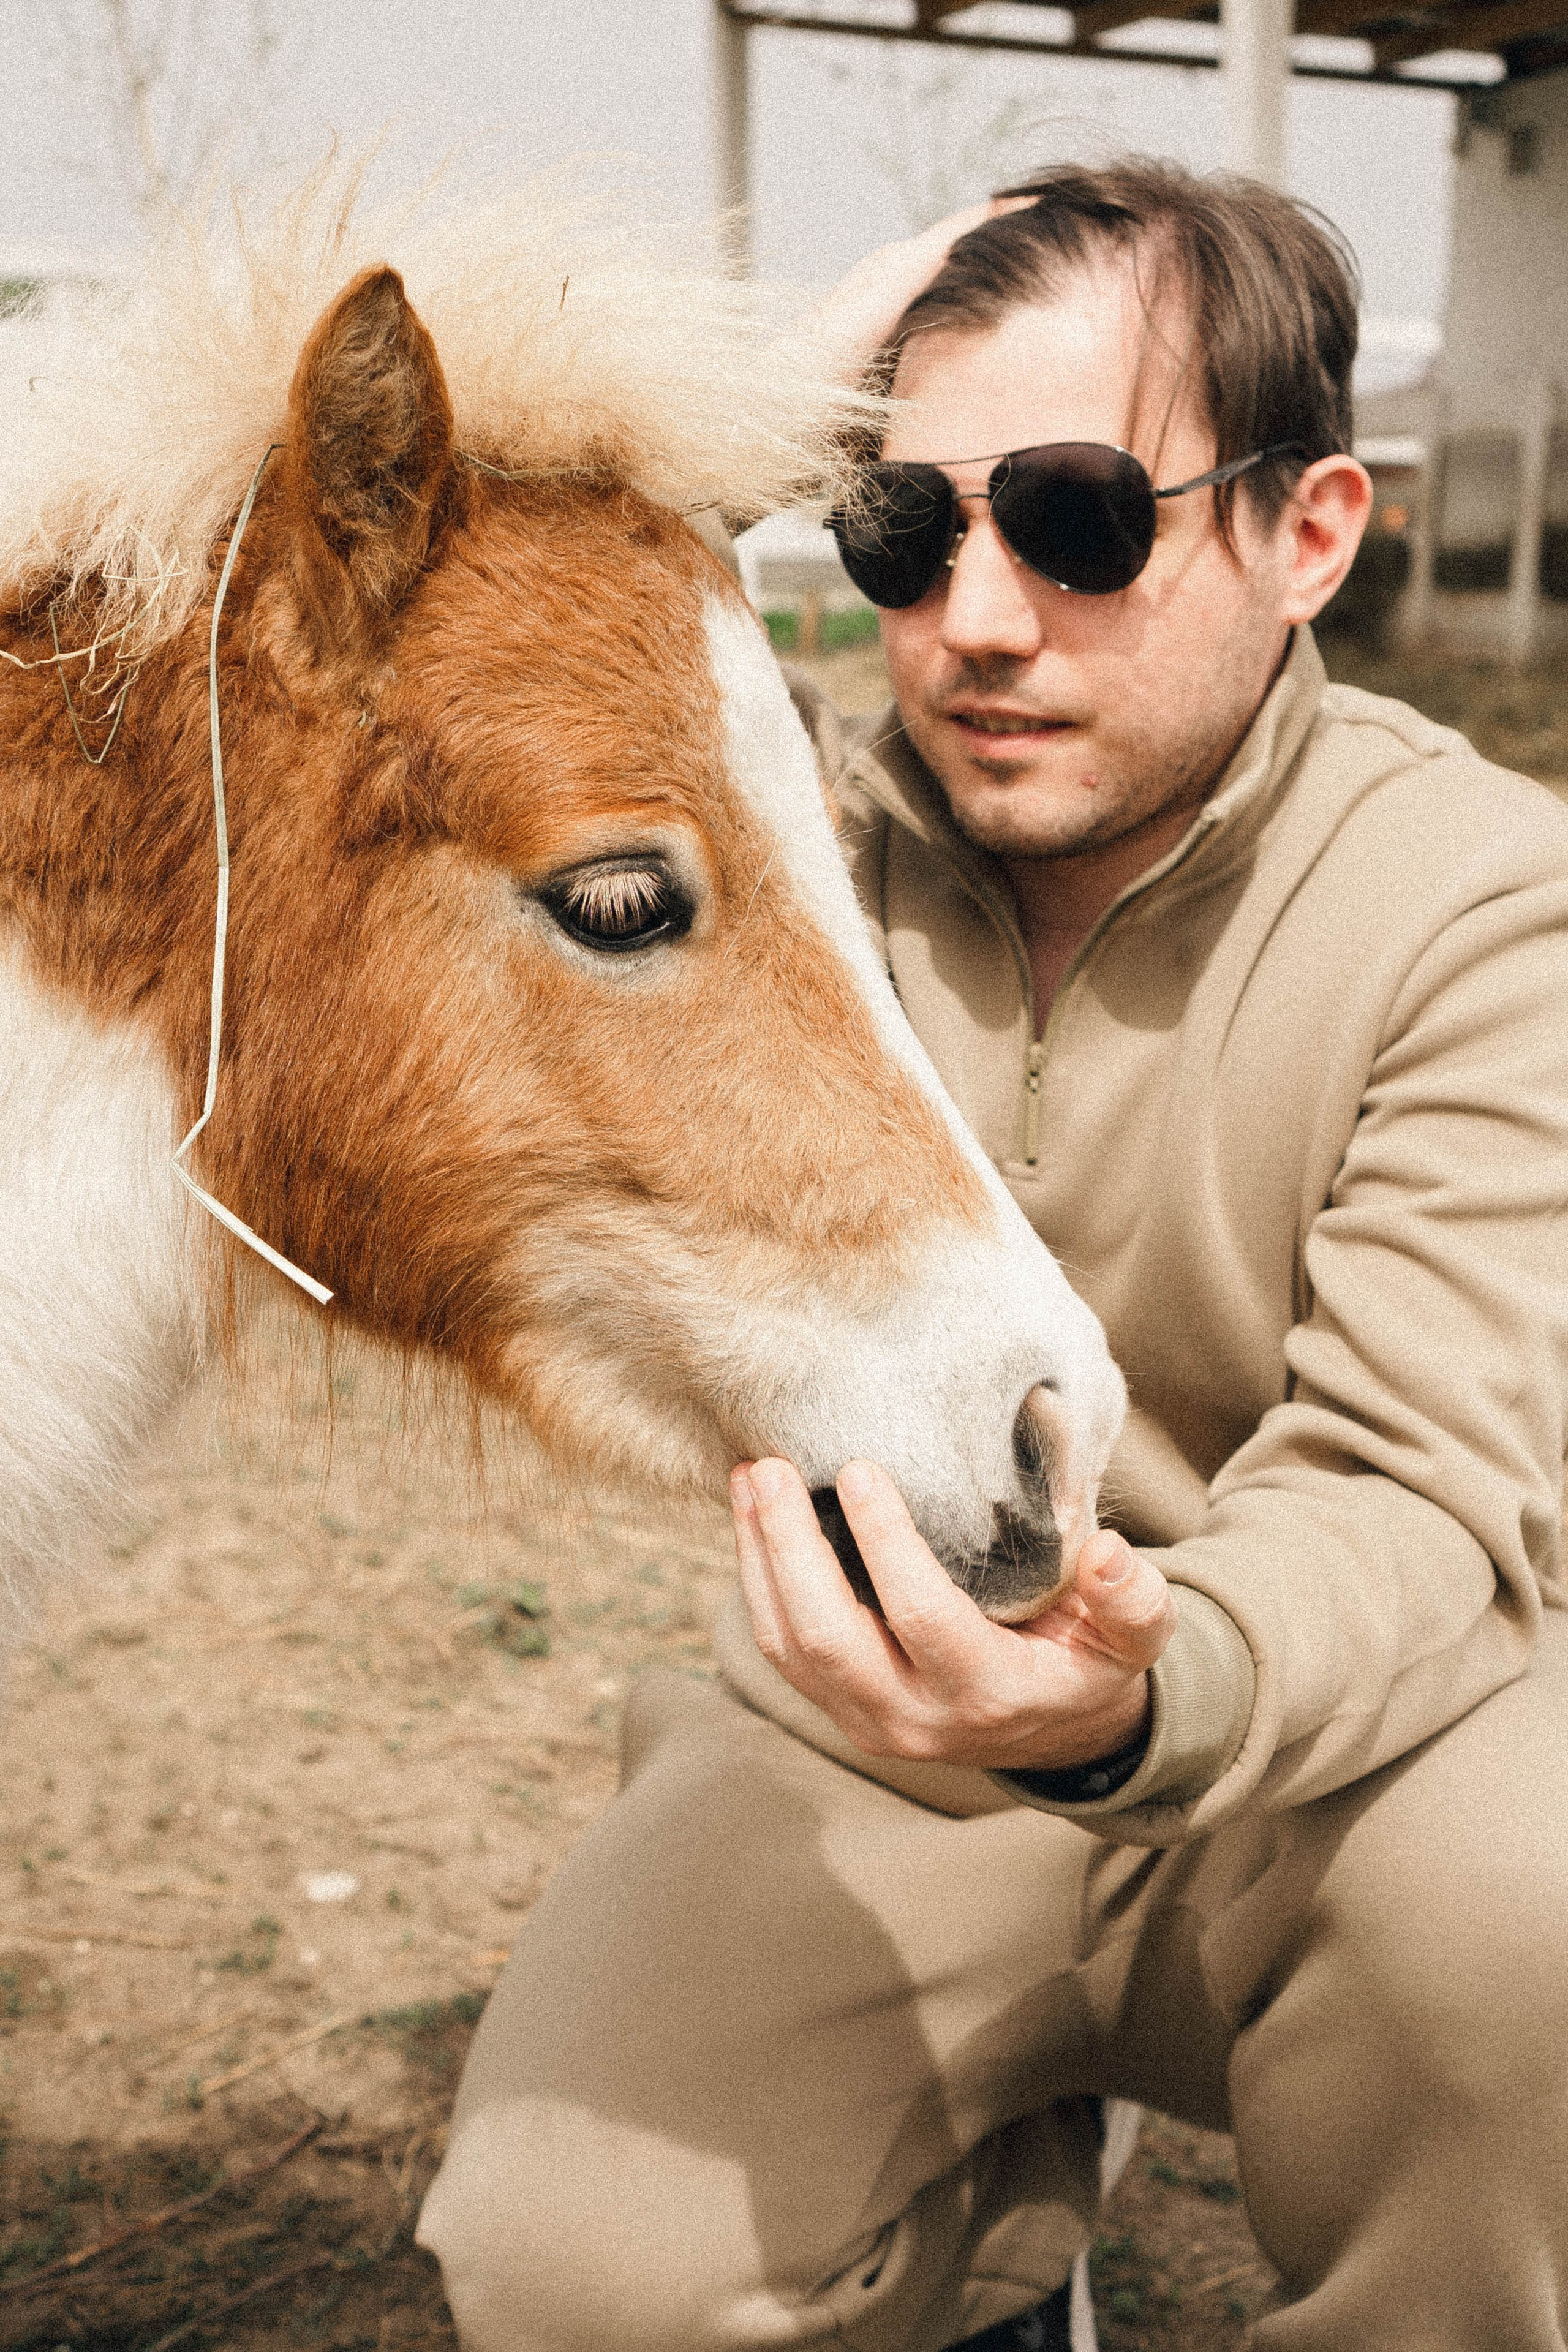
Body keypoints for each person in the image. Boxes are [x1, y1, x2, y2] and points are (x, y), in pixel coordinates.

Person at [418, 161, 1568, 2351]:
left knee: (1538, 1932)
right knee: (565, 2272)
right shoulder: (773, 860)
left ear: (1311, 531)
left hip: (1354, 1755)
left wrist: (1141, 1688)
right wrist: (769, 403)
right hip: (874, 1743)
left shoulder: (1499, 903)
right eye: (898, 528)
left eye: (1078, 515)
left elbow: (1424, 1491)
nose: (977, 615)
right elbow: (381, 524)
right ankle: (994, 2279)